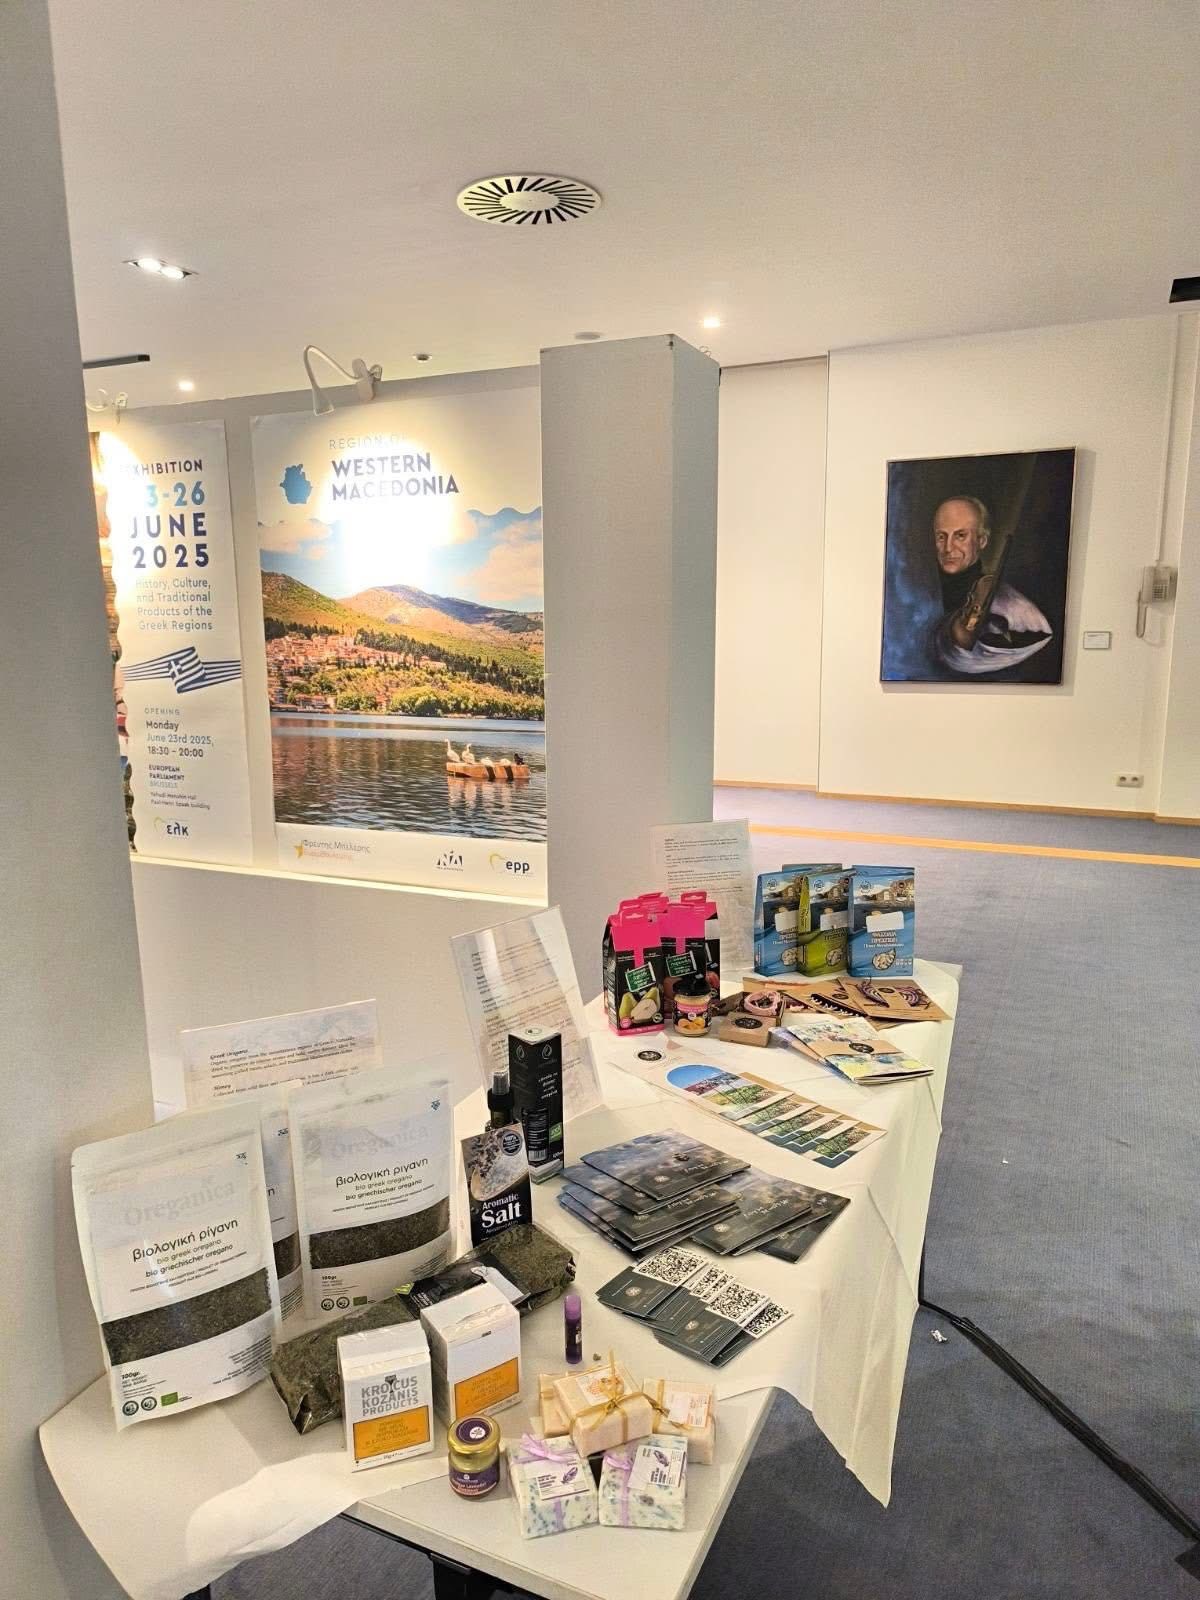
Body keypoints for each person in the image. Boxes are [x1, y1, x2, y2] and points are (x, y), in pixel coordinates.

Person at [930, 495, 1052, 676]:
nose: (948, 548)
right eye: (941, 537)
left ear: (982, 541)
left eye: (960, 536)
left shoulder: (1008, 603)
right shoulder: (921, 587)